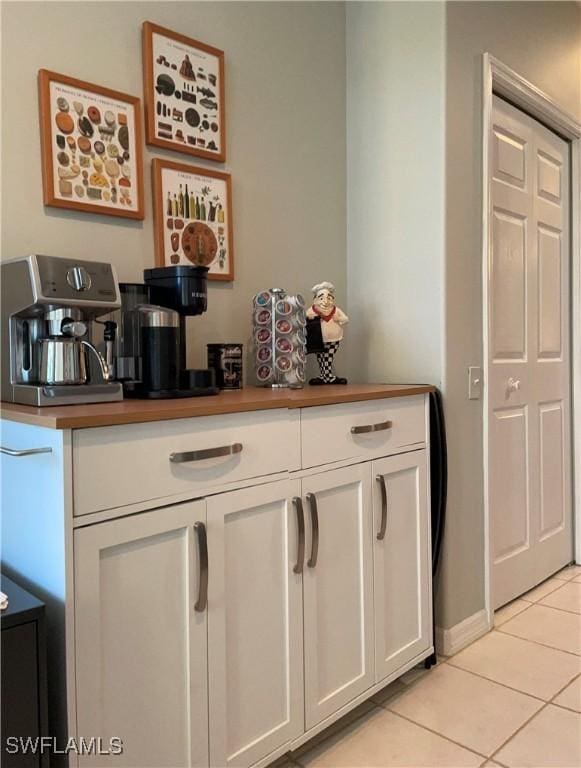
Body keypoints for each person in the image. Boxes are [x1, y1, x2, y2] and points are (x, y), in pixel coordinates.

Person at [306, 281, 348, 385]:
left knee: (329, 357)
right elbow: (305, 317)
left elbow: (346, 319)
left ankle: (326, 376)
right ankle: (327, 376)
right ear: (315, 299)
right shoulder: (313, 310)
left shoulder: (336, 310)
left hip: (334, 339)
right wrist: (309, 317)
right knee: (321, 358)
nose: (325, 302)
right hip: (319, 339)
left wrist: (339, 318)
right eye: (321, 298)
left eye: (329, 298)